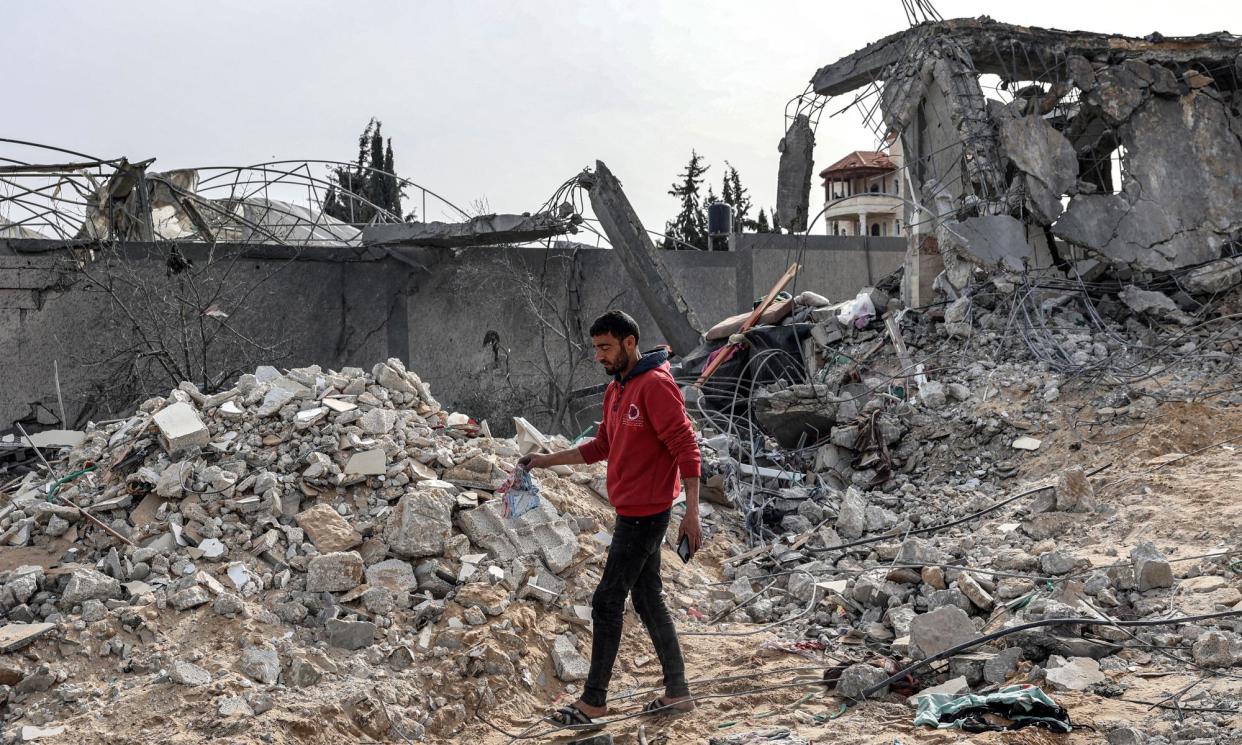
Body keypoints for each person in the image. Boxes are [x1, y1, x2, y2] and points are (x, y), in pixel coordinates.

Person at [520, 310, 703, 728]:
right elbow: (600, 445)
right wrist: (544, 460)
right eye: (596, 348)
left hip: (648, 514)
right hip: (630, 512)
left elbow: (686, 448)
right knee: (646, 598)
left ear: (629, 343)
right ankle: (678, 693)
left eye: (605, 348)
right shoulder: (617, 389)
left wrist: (692, 514)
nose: (599, 356)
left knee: (607, 601)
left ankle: (594, 703)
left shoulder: (655, 385)